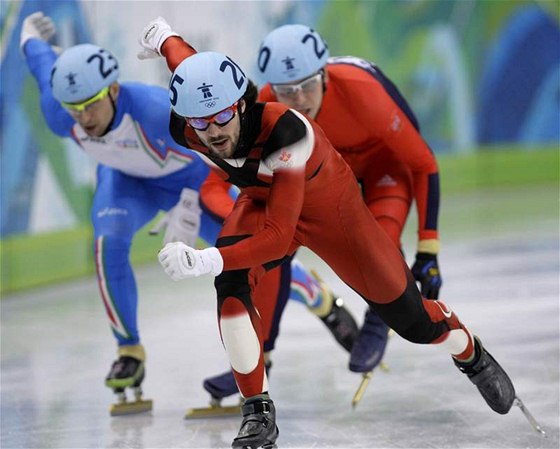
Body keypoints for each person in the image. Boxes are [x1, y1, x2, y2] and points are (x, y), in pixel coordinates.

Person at [138, 17, 516, 449]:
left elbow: (281, 237)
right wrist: (166, 37)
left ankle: (469, 351)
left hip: (331, 214)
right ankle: (257, 413)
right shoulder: (187, 125)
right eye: (201, 123)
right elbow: (186, 64)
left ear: (242, 103)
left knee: (413, 322)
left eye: (223, 115)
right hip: (262, 198)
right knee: (231, 282)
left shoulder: (287, 130)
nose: (215, 131)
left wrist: (207, 257)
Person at [20, 12, 358, 415]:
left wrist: (187, 208)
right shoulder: (62, 112)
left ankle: (317, 297)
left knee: (252, 253)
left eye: (91, 106)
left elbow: (216, 157)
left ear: (112, 90)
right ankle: (129, 348)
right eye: (74, 110)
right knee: (107, 242)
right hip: (128, 181)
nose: (84, 119)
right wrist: (28, 39)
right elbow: (43, 66)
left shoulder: (154, 112)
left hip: (193, 180)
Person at [256, 24, 443, 375]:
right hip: (321, 176)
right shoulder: (263, 104)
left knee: (379, 242)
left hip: (380, 165)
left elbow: (423, 163)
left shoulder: (361, 91)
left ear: (325, 75)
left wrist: (428, 247)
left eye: (308, 85)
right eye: (286, 91)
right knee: (268, 252)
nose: (298, 100)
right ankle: (258, 351)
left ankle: (379, 317)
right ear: (271, 89)